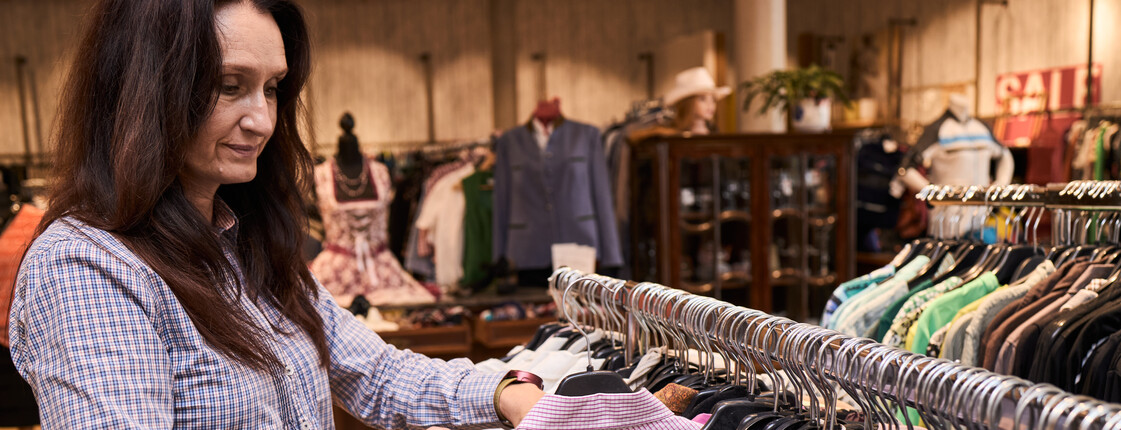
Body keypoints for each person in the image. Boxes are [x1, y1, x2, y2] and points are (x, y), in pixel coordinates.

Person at [6, 1, 543, 428]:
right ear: (147, 90)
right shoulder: (87, 268)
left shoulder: (245, 244)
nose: (262, 120)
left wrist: (506, 391)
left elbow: (375, 374)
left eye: (272, 88)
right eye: (229, 86)